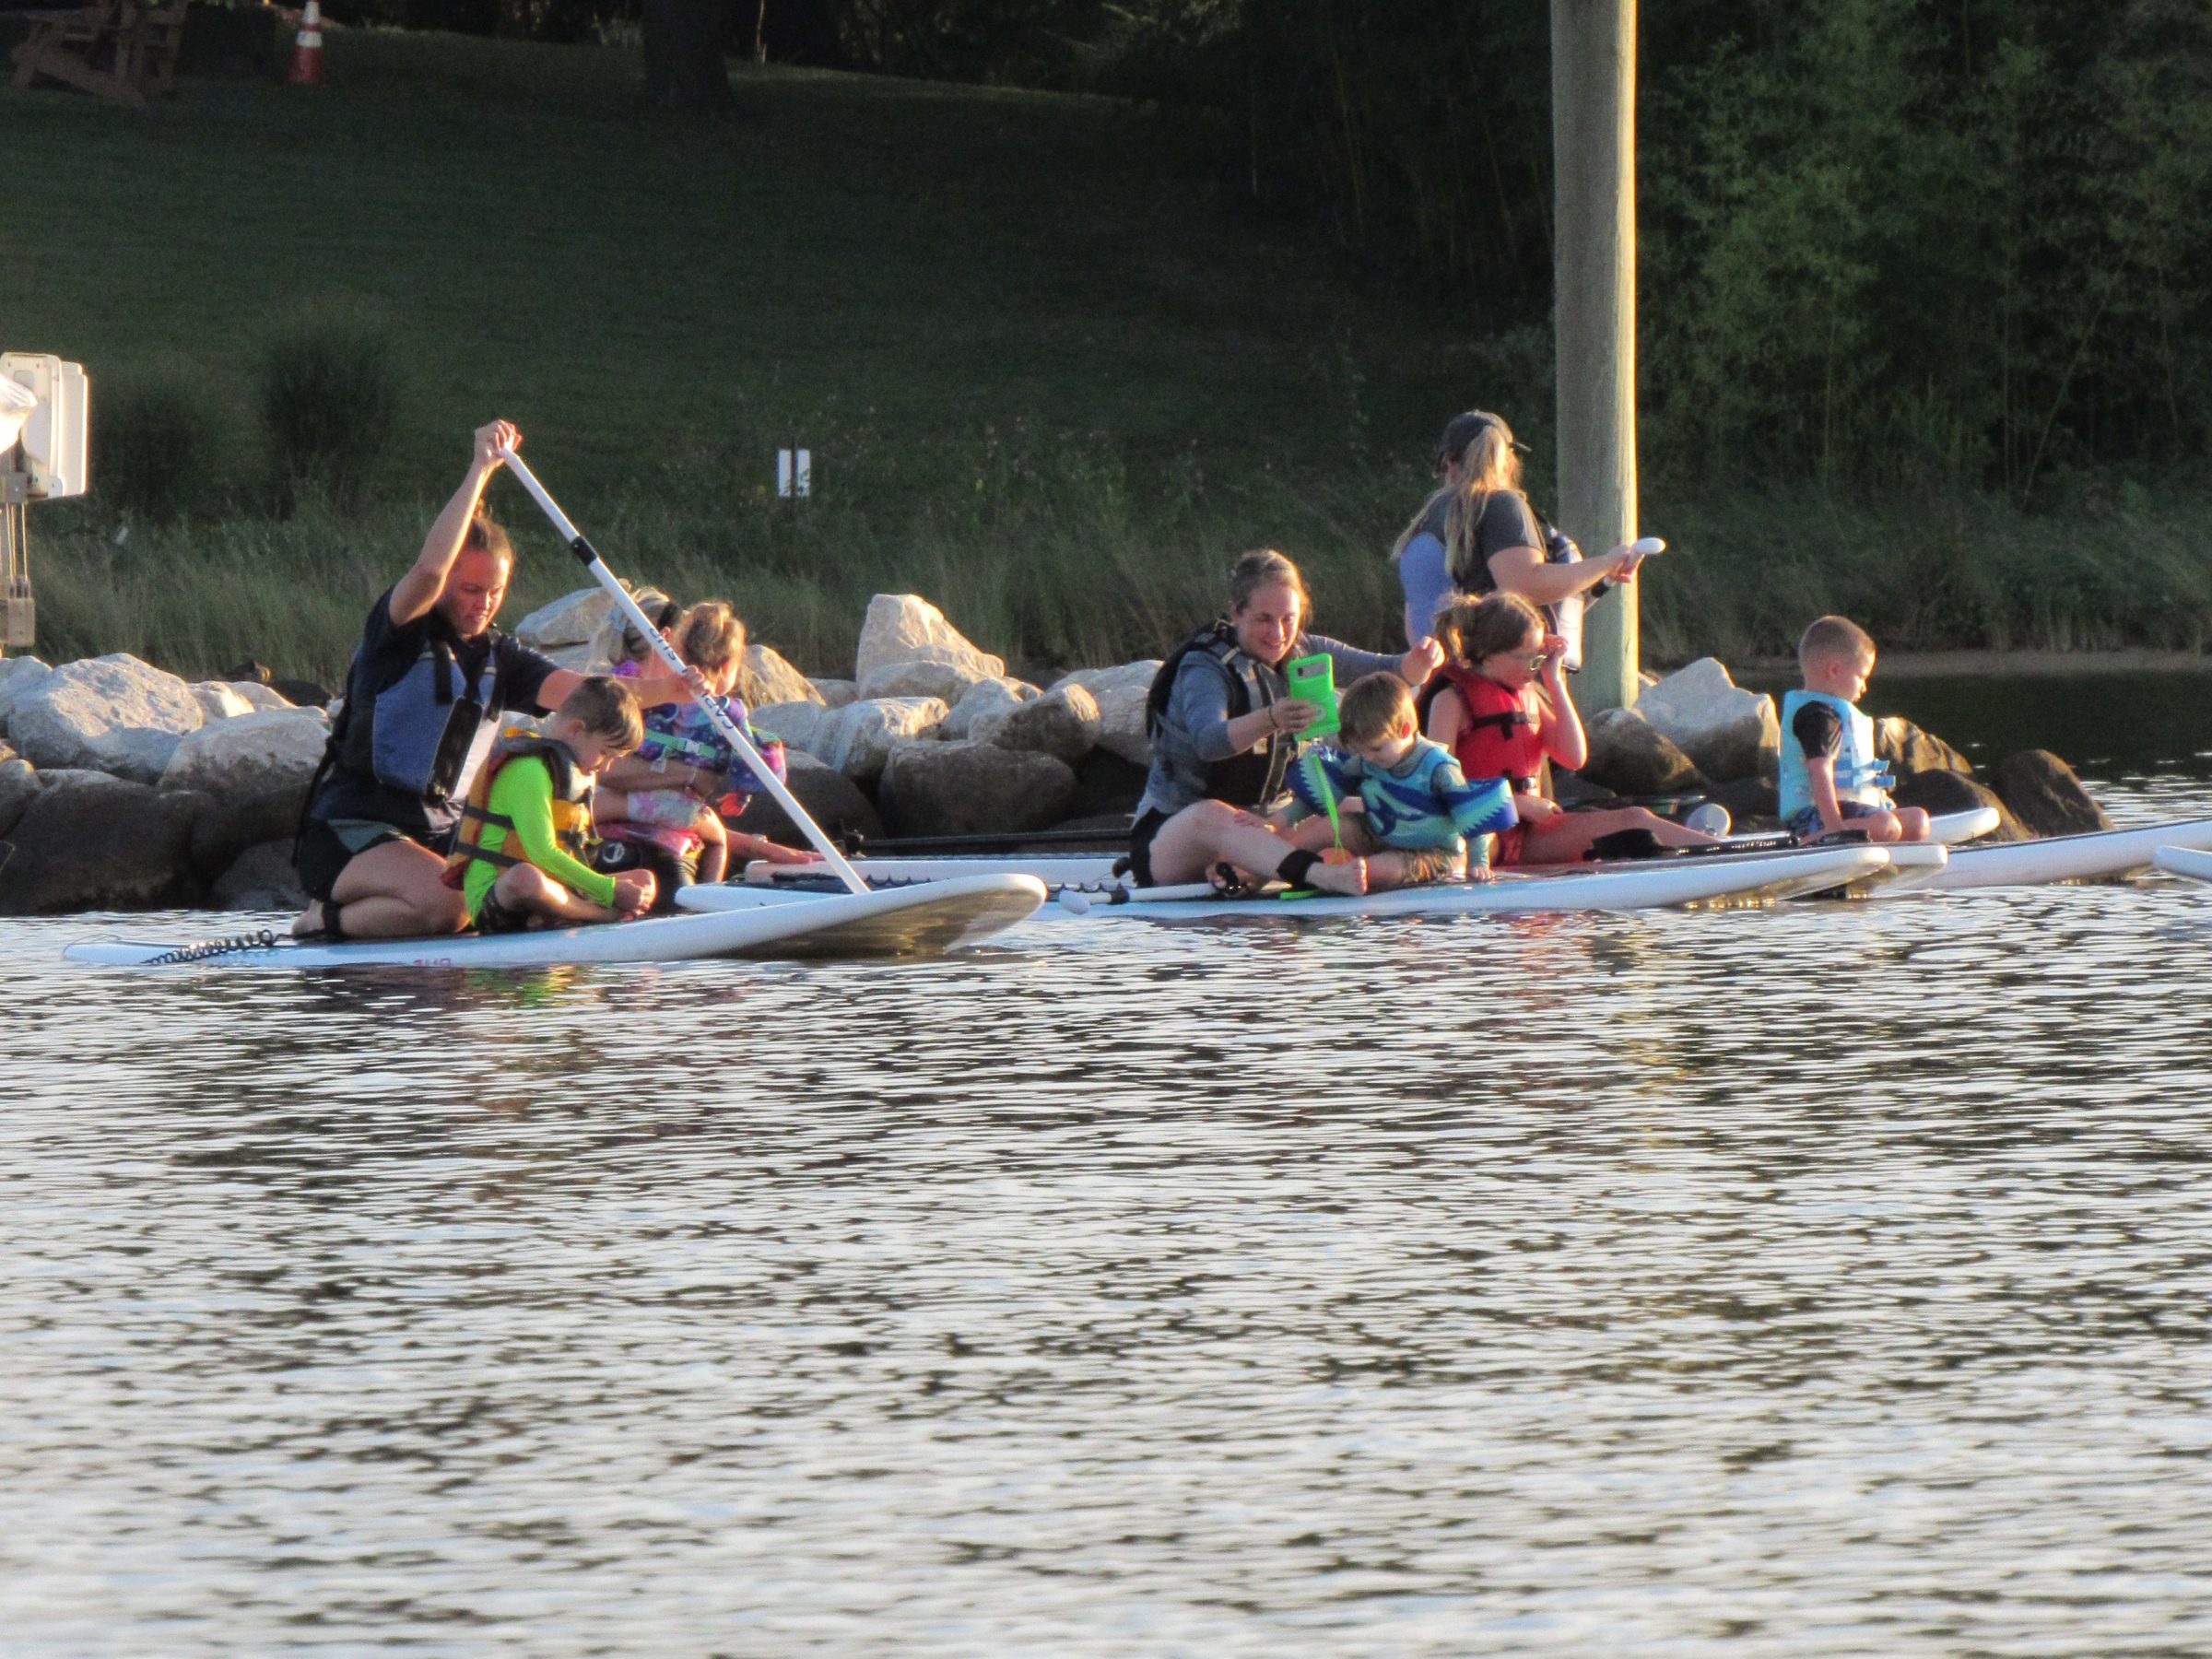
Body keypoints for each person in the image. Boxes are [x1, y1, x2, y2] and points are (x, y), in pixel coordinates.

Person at [293, 420, 703, 942]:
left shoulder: (500, 658)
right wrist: (481, 470)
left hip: (444, 835)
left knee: (522, 890)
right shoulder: (399, 633)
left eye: (495, 591)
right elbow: (427, 569)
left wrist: (672, 690)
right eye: (469, 589)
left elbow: (588, 696)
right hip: (354, 829)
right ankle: (321, 918)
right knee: (451, 907)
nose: (482, 603)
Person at [1135, 547, 1444, 896]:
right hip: (1181, 838)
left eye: (1288, 619)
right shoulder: (1204, 668)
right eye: (1264, 619)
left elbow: (1393, 669)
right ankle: (1322, 876)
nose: (1278, 633)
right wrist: (1271, 718)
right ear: (1236, 612)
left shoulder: (1308, 651)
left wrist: (1420, 662)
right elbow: (1208, 742)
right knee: (1214, 814)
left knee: (1365, 803)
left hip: (1269, 826)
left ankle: (1433, 860)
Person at [1426, 591, 1723, 865]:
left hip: (1531, 835)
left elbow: (1574, 756)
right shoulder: (1451, 701)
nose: (1534, 667)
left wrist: (1554, 681)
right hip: (1480, 837)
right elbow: (1439, 788)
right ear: (1489, 654)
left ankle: (1720, 856)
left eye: (1537, 657)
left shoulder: (1527, 696)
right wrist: (1515, 803)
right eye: (1525, 658)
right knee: (1463, 852)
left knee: (1635, 818)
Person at [595, 600, 821, 886]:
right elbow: (759, 773)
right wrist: (741, 792)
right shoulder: (727, 713)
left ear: (678, 648)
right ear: (728, 665)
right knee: (716, 841)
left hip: (616, 809)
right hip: (673, 813)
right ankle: (708, 895)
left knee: (708, 828)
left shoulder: (636, 693)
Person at [1392, 409, 1654, 648]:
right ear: (1508, 460)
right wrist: (1607, 563)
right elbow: (1525, 585)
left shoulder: (1424, 521)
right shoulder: (1500, 505)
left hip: (1439, 675)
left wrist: (1602, 576)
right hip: (1494, 670)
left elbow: (1416, 618)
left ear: (1448, 464)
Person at [443, 677, 658, 932]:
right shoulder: (528, 769)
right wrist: (608, 892)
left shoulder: (574, 776)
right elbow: (541, 852)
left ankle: (557, 914)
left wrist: (612, 889)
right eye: (605, 753)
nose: (606, 766)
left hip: (554, 890)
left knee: (644, 880)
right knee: (526, 877)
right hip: (500, 898)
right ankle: (597, 915)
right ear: (576, 730)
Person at [1277, 672, 1518, 890]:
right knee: (1325, 827)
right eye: (1361, 751)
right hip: (1381, 837)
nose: (1368, 757)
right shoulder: (1366, 758)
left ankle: (1327, 876)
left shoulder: (1438, 766)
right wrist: (1278, 820)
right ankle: (1254, 874)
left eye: (1376, 748)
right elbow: (1321, 795)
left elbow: (1470, 815)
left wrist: (1478, 864)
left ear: (1404, 730)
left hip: (1435, 854)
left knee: (1372, 871)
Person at [1780, 615, 1932, 845]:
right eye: (1861, 677)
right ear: (1835, 669)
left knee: (1918, 821)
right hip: (1814, 815)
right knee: (1886, 827)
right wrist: (1835, 828)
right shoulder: (1817, 716)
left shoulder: (1832, 712)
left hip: (1849, 810)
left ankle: (1866, 839)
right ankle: (1811, 841)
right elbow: (1820, 773)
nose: (1864, 687)